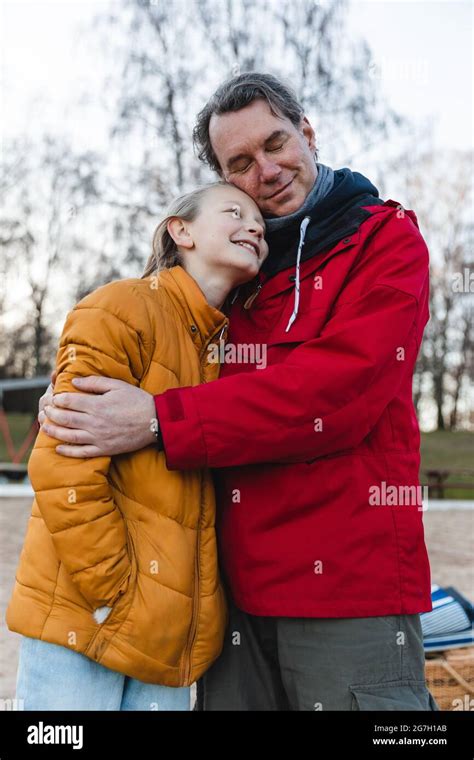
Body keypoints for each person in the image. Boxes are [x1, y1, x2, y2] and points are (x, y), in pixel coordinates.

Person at [35, 72, 439, 711]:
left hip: (347, 595)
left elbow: (340, 391)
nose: (268, 170)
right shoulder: (231, 276)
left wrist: (158, 420)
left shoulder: (384, 242)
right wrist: (75, 388)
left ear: (307, 133)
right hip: (227, 600)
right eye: (241, 164)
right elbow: (148, 374)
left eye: (277, 143)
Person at [6, 181, 268, 711]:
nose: (255, 226)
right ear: (182, 229)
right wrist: (112, 592)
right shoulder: (121, 306)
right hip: (86, 620)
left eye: (260, 221)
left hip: (173, 639)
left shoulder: (231, 350)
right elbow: (63, 466)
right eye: (234, 211)